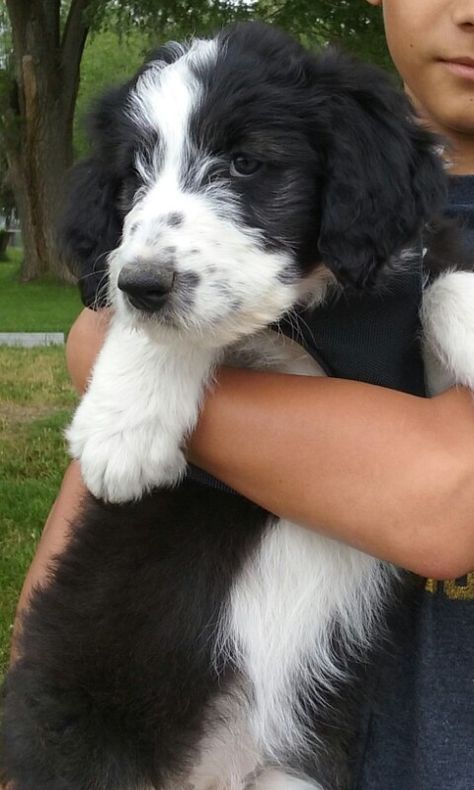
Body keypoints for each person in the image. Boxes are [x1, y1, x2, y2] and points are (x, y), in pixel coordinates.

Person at [10, 0, 474, 786]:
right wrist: (143, 354)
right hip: (131, 728)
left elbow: (443, 502)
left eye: (246, 166)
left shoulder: (398, 227)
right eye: (142, 173)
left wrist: (143, 361)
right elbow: (103, 485)